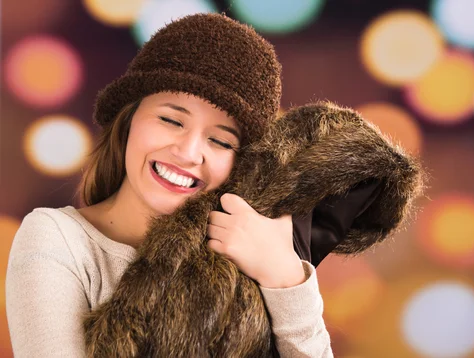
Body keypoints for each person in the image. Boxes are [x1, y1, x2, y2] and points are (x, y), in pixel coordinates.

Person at [6, 13, 333, 357]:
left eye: (221, 142)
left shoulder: (250, 261)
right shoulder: (59, 241)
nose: (189, 153)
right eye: (171, 120)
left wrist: (284, 278)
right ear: (129, 119)